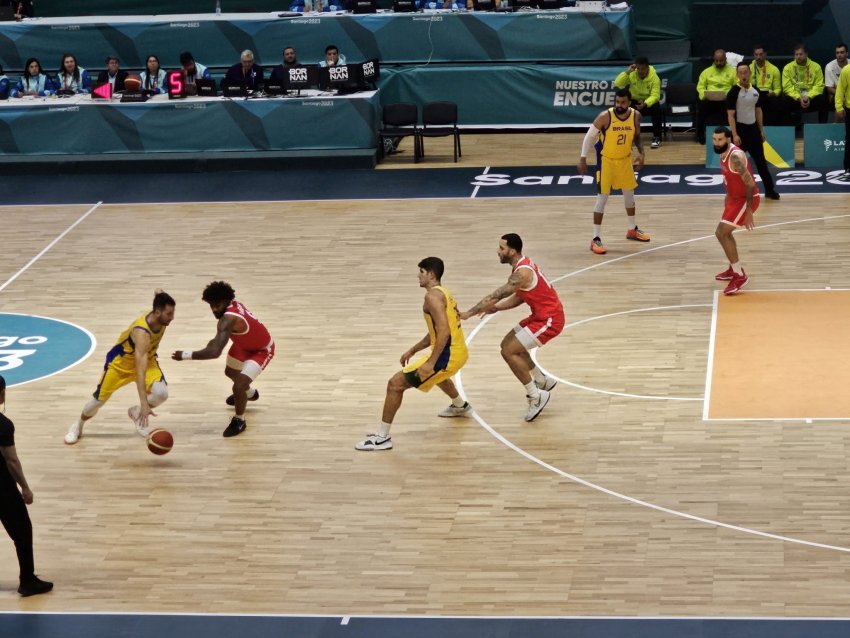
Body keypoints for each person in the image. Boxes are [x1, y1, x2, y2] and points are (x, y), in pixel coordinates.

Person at [355, 258, 471, 451]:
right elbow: (437, 331)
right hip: (457, 351)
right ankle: (460, 406)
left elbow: (444, 333)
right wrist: (414, 349)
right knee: (439, 377)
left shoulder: (432, 298)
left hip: (448, 356)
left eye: (422, 272)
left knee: (395, 384)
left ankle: (382, 438)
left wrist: (431, 363)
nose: (418, 275)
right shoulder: (445, 293)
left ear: (431, 275)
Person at [459, 234, 563, 422]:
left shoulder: (521, 274)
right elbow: (520, 297)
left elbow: (495, 295)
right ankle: (542, 380)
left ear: (512, 251)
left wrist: (468, 313)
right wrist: (497, 308)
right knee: (507, 344)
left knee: (509, 352)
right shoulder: (522, 266)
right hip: (539, 316)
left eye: (502, 248)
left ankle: (536, 396)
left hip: (550, 319)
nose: (498, 251)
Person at [65, 291, 175, 445]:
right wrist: (144, 404)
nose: (172, 317)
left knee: (161, 393)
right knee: (97, 402)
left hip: (148, 361)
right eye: (169, 314)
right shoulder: (142, 332)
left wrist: (159, 293)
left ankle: (135, 412)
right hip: (120, 364)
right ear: (157, 312)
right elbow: (139, 371)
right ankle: (78, 424)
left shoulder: (160, 320)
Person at [171, 281, 274, 438]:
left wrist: (185, 355)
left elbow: (214, 352)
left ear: (226, 300)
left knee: (239, 386)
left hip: (261, 350)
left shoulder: (228, 319)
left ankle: (239, 420)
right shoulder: (233, 304)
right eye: (211, 305)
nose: (214, 309)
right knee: (230, 372)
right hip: (242, 345)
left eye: (217, 304)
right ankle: (251, 394)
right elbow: (216, 341)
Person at [577, 88, 648, 255]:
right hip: (606, 162)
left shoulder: (636, 116)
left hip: (625, 160)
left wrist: (642, 153)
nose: (619, 105)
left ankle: (632, 229)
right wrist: (582, 158)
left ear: (629, 102)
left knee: (629, 195)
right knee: (602, 198)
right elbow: (589, 137)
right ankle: (595, 238)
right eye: (617, 102)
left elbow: (637, 136)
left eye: (623, 102)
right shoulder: (605, 116)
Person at [0, 375, 54, 597]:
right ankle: (27, 580)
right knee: (22, 531)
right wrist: (25, 487)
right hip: (1, 489)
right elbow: (11, 460)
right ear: (2, 394)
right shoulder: (3, 424)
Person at [712, 127, 760, 295]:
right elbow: (732, 178)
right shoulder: (723, 153)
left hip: (746, 200)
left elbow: (750, 183)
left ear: (728, 139)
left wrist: (749, 210)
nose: (717, 143)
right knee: (724, 233)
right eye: (714, 139)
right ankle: (734, 268)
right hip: (734, 198)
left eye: (720, 140)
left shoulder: (735, 157)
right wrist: (728, 194)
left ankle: (740, 276)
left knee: (721, 233)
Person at [726, 62, 779, 200]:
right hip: (740, 132)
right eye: (741, 73)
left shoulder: (755, 91)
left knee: (761, 163)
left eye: (746, 72)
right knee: (737, 166)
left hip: (754, 131)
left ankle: (769, 190)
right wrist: (735, 134)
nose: (743, 75)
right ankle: (735, 192)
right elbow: (730, 115)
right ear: (737, 75)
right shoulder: (733, 92)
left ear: (749, 73)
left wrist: (761, 130)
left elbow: (758, 111)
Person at [614, 56, 663, 149]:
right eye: (638, 68)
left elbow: (655, 96)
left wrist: (645, 103)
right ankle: (627, 136)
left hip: (648, 102)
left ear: (647, 68)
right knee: (622, 107)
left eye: (643, 69)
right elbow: (618, 83)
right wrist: (627, 72)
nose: (640, 71)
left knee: (656, 109)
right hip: (634, 102)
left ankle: (657, 138)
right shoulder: (632, 74)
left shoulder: (654, 78)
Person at [696, 49, 737, 144]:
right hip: (710, 99)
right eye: (716, 60)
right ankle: (700, 137)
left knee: (733, 111)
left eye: (721, 60)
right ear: (714, 59)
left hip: (725, 100)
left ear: (725, 59)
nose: (718, 63)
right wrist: (704, 95)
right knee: (701, 110)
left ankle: (732, 136)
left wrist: (729, 96)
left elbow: (736, 87)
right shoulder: (706, 72)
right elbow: (700, 86)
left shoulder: (732, 72)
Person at [781, 44, 827, 125]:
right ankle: (789, 130)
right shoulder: (787, 68)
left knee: (822, 99)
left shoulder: (816, 67)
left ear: (806, 54)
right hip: (796, 98)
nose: (798, 56)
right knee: (785, 101)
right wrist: (799, 98)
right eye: (796, 54)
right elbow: (787, 87)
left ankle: (822, 128)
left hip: (811, 98)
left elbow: (819, 86)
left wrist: (808, 96)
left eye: (801, 54)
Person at [749, 45, 782, 126]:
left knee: (775, 102)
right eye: (756, 55)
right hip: (753, 95)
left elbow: (778, 89)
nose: (758, 57)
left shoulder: (774, 69)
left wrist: (773, 93)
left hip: (768, 96)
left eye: (760, 54)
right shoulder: (749, 68)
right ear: (753, 55)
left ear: (765, 54)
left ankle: (772, 127)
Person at [835, 64, 850, 179]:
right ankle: (848, 168)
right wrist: (839, 107)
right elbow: (840, 90)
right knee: (849, 139)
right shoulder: (846, 70)